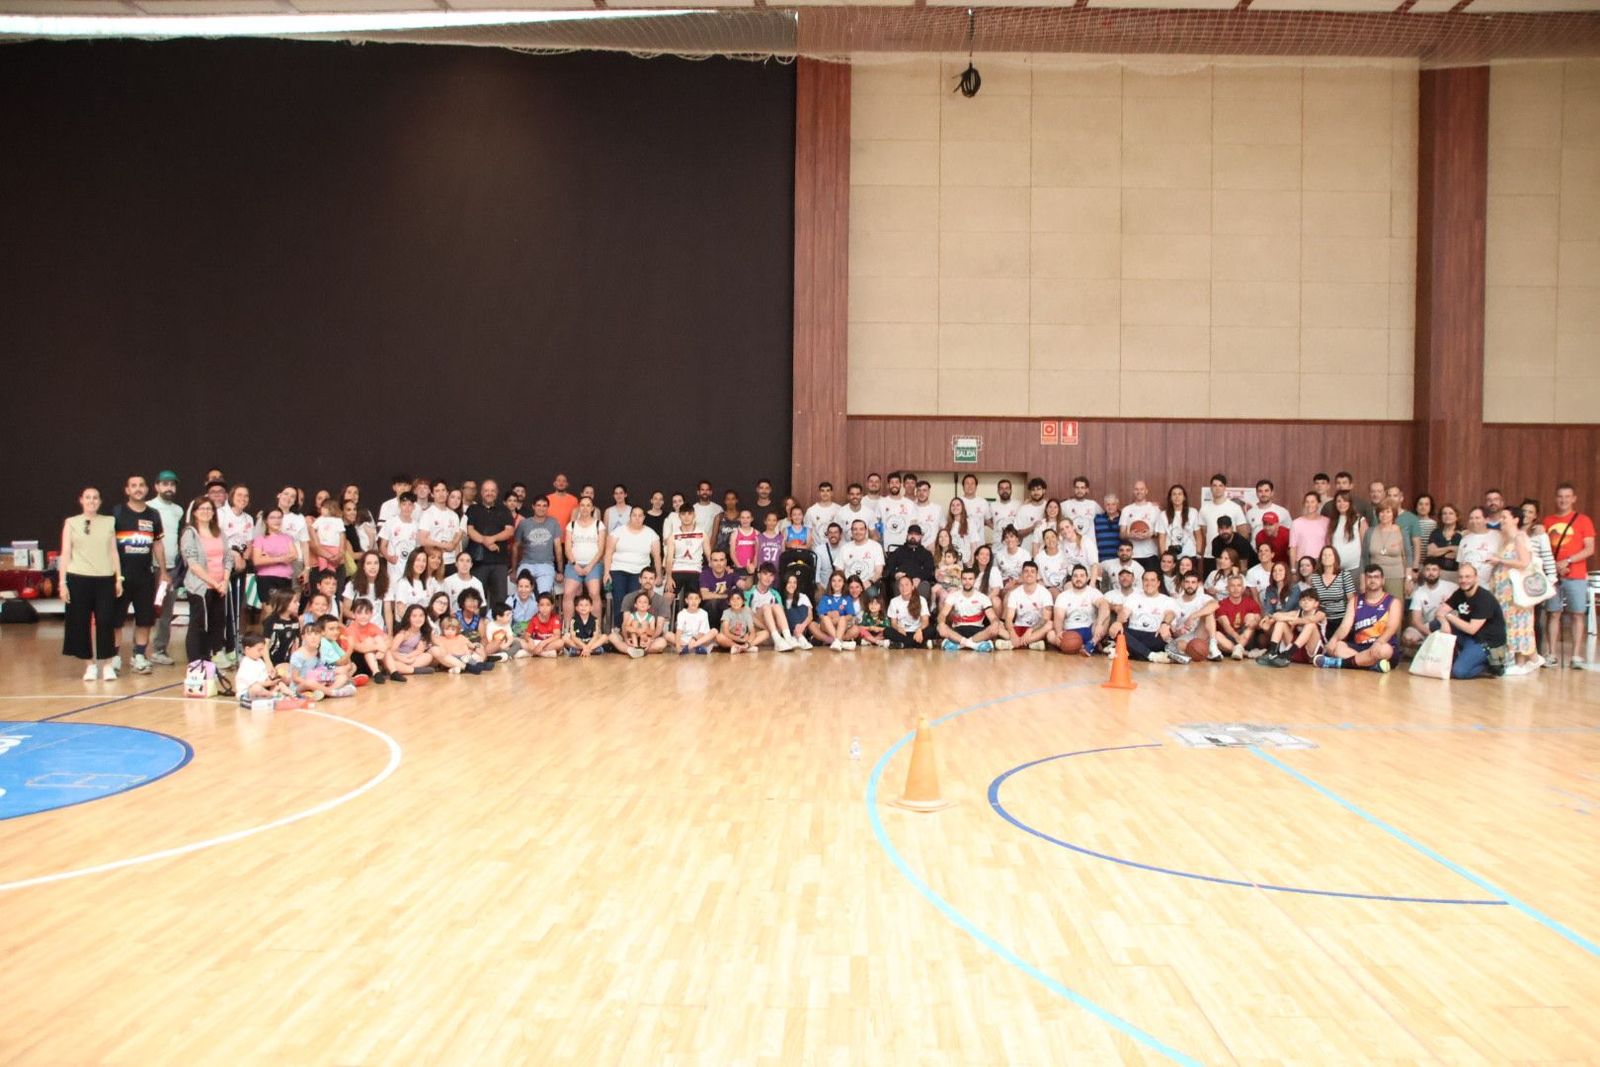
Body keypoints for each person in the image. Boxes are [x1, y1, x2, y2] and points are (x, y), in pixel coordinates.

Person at [59, 487, 123, 680]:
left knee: (105, 620)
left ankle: (108, 664)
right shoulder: (71, 523)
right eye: (88, 498)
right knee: (80, 622)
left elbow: (113, 552)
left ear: (100, 501)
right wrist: (63, 582)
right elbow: (66, 553)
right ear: (81, 500)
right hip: (78, 577)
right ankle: (90, 665)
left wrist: (118, 577)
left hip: (104, 578)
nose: (92, 501)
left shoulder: (109, 522)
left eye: (95, 498)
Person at [111, 475, 167, 675]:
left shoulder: (153, 514)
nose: (138, 489)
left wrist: (163, 571)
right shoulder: (116, 513)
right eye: (133, 486)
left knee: (145, 619)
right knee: (116, 620)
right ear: (127, 490)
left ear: (147, 489)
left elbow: (158, 544)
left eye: (141, 485)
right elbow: (108, 545)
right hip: (120, 577)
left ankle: (140, 655)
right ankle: (115, 657)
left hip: (145, 577)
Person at [1543, 483, 1595, 670]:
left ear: (1574, 498)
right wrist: (1554, 566)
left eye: (1567, 496)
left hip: (1576, 575)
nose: (1563, 500)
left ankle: (1576, 656)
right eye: (1560, 496)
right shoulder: (1547, 521)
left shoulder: (1583, 520)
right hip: (1553, 575)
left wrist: (1569, 561)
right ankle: (1551, 654)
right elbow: (1543, 548)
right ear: (1555, 498)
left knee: (1577, 614)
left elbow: (1589, 548)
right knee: (1553, 613)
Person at [180, 496, 235, 670]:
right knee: (199, 624)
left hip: (220, 586)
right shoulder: (190, 533)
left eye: (209, 509)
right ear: (195, 512)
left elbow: (227, 557)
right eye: (202, 509)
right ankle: (196, 660)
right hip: (200, 587)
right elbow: (193, 563)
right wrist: (212, 582)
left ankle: (212, 655)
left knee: (217, 623)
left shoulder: (219, 532)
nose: (206, 512)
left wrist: (224, 580)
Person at [1484, 508, 1539, 674]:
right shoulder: (1506, 540)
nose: (1501, 520)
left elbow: (1524, 562)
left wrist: (1499, 559)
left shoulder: (1519, 537)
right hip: (1503, 591)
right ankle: (1517, 660)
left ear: (1516, 519)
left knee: (1519, 624)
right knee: (1509, 624)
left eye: (1505, 517)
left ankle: (1522, 662)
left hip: (1515, 591)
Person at [1318, 565, 1399, 672]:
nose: (1372, 580)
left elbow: (1391, 628)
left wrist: (1379, 642)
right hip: (1360, 646)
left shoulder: (1393, 601)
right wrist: (1333, 640)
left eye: (1376, 577)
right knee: (1338, 646)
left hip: (1381, 644)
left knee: (1385, 650)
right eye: (1369, 577)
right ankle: (1371, 665)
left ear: (1383, 580)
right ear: (1365, 580)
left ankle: (1341, 663)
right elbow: (1345, 627)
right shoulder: (1355, 601)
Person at [1437, 563, 1508, 679]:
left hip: (1486, 642)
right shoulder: (1459, 593)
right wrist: (1444, 622)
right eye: (1461, 577)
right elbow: (1439, 612)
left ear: (1476, 578)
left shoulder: (1484, 598)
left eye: (1468, 577)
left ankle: (1491, 664)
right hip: (1469, 637)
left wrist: (1449, 616)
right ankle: (1455, 658)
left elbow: (1472, 629)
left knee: (1458, 672)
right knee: (1436, 624)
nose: (1464, 580)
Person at [604, 506, 663, 627]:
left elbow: (657, 556)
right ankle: (619, 629)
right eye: (634, 515)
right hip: (618, 570)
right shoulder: (617, 532)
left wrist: (659, 576)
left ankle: (634, 629)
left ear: (644, 517)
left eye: (640, 515)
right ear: (629, 516)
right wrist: (606, 573)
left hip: (639, 572)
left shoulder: (651, 534)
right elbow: (608, 553)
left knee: (636, 600)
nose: (637, 518)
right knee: (619, 599)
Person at [465, 480, 515, 611]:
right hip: (478, 562)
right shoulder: (473, 509)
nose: (489, 493)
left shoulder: (504, 510)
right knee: (477, 599)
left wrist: (492, 538)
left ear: (497, 493)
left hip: (499, 563)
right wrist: (485, 542)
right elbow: (469, 530)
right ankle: (477, 629)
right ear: (481, 493)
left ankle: (498, 628)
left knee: (500, 599)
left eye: (492, 491)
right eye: (486, 490)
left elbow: (509, 531)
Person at [1117, 570, 1186, 663]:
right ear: (1142, 582)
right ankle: (1152, 655)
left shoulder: (1167, 600)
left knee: (1163, 637)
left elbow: (1170, 613)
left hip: (1155, 635)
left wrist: (1165, 624)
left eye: (1152, 580)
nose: (1149, 583)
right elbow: (1124, 612)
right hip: (1135, 635)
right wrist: (1118, 622)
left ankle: (1136, 652)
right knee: (1118, 632)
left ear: (1158, 583)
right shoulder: (1134, 597)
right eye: (1146, 580)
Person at [562, 496, 607, 628]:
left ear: (592, 508)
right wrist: (575, 564)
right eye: (582, 505)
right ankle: (568, 629)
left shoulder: (599, 524)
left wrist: (590, 566)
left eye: (588, 505)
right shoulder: (571, 525)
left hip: (593, 564)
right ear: (578, 508)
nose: (585, 508)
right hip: (574, 564)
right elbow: (568, 549)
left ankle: (596, 629)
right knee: (568, 593)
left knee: (594, 593)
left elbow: (601, 549)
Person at [1257, 588, 1327, 668]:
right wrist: (1269, 621)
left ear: (1316, 603)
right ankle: (1272, 653)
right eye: (1303, 600)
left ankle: (1288, 654)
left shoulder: (1321, 613)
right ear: (1300, 603)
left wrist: (1293, 619)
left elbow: (1310, 619)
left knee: (1310, 625)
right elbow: (1277, 615)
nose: (1306, 602)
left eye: (1310, 600)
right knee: (1281, 623)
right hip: (1297, 651)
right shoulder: (1297, 613)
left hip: (1312, 651)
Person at [235, 634, 309, 710]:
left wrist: (273, 678)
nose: (261, 653)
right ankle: (273, 695)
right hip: (247, 693)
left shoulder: (259, 661)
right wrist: (270, 683)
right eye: (259, 650)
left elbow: (265, 677)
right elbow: (255, 684)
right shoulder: (246, 664)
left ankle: (291, 694)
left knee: (280, 683)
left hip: (263, 689)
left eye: (262, 650)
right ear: (247, 649)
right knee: (256, 688)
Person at [936, 566, 999, 652]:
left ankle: (960, 645)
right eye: (964, 579)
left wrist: (995, 623)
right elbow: (943, 614)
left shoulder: (982, 597)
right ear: (961, 580)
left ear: (975, 580)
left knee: (995, 627)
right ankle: (975, 645)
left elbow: (993, 617)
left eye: (970, 579)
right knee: (940, 627)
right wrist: (942, 623)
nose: (967, 582)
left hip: (978, 631)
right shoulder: (954, 596)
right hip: (958, 630)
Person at [1051, 565, 1108, 655]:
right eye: (1075, 576)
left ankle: (1091, 644)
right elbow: (1058, 617)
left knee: (1106, 617)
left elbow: (1104, 605)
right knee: (1050, 635)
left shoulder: (1093, 592)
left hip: (1089, 630)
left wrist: (1100, 624)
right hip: (1070, 631)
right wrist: (1058, 633)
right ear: (1072, 578)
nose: (1078, 578)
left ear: (1087, 577)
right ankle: (1075, 646)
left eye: (1082, 576)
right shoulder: (1063, 596)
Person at [1403, 559, 1455, 652]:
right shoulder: (1418, 592)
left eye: (1434, 570)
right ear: (1423, 572)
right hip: (1428, 628)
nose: (1431, 573)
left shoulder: (1452, 587)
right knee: (1408, 637)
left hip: (1447, 626)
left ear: (1440, 572)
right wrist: (1431, 635)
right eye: (1428, 569)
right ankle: (1426, 651)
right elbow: (1416, 621)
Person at [1002, 562, 1055, 651]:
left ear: (1037, 575)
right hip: (1018, 627)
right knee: (998, 625)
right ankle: (1030, 644)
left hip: (1035, 630)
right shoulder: (1014, 593)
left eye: (1032, 571)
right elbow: (1009, 618)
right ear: (1022, 575)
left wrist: (1030, 630)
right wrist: (1012, 633)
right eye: (1026, 571)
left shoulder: (1045, 593)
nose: (1029, 574)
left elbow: (1046, 619)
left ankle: (1014, 644)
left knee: (1050, 624)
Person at [1309, 545, 1356, 643]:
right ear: (1320, 558)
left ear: (1335, 558)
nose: (1326, 557)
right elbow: (1314, 601)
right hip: (1323, 619)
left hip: (1341, 619)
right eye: (1324, 555)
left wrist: (1348, 620)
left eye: (1330, 555)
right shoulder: (1315, 578)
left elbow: (1352, 600)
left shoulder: (1344, 575)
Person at [1199, 475, 1248, 566]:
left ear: (1225, 488)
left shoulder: (1235, 508)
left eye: (1220, 485)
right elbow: (1205, 533)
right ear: (1211, 488)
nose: (1217, 488)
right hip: (1210, 556)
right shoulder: (1204, 509)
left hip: (1230, 558)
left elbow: (1243, 534)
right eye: (1214, 485)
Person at [1119, 481, 1166, 572]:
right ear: (1133, 491)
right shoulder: (1126, 510)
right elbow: (1121, 534)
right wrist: (1130, 535)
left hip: (1151, 554)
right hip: (1132, 555)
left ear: (1146, 491)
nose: (1139, 491)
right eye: (1136, 489)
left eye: (1141, 489)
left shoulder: (1155, 509)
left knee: (1151, 584)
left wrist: (1150, 535)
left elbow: (1160, 533)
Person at [1214, 574, 1262, 659]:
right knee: (1216, 635)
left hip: (1246, 636)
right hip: (1229, 639)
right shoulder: (1221, 604)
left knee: (1251, 617)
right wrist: (1237, 638)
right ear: (1227, 588)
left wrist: (1254, 622)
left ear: (1243, 588)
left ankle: (1240, 649)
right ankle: (1245, 653)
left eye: (1239, 585)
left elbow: (1258, 619)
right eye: (1232, 586)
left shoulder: (1251, 603)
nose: (1236, 589)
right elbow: (1226, 626)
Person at [885, 524, 936, 600]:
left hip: (919, 581)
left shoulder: (926, 554)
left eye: (916, 535)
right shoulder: (898, 551)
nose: (913, 536)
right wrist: (895, 575)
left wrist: (920, 578)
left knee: (925, 586)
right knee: (900, 585)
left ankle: (919, 610)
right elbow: (889, 568)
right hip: (901, 580)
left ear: (920, 537)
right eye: (911, 534)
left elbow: (929, 570)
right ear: (907, 535)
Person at [610, 591, 669, 658]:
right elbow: (626, 627)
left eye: (645, 602)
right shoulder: (632, 615)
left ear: (649, 606)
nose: (642, 604)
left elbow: (652, 632)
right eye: (640, 602)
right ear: (635, 605)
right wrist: (635, 630)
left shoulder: (651, 617)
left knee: (662, 642)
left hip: (645, 639)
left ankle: (640, 650)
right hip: (632, 639)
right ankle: (634, 648)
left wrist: (645, 631)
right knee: (612, 637)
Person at [837, 520, 886, 596]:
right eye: (855, 529)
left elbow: (878, 571)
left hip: (869, 584)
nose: (858, 532)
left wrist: (869, 582)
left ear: (866, 531)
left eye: (861, 529)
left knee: (872, 593)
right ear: (852, 531)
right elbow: (839, 570)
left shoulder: (876, 546)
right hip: (848, 584)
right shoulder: (845, 548)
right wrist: (847, 584)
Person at [813, 571, 859, 650]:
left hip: (842, 625)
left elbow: (850, 615)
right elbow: (821, 615)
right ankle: (841, 642)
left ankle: (834, 641)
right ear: (830, 582)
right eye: (833, 580)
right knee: (816, 623)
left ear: (844, 583)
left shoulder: (847, 598)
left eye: (839, 580)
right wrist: (832, 617)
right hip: (827, 625)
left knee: (856, 629)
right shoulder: (825, 597)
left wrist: (839, 619)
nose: (836, 583)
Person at [885, 574, 933, 649]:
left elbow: (925, 620)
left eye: (907, 585)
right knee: (887, 631)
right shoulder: (894, 601)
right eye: (901, 585)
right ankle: (919, 644)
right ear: (898, 588)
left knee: (931, 630)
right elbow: (893, 622)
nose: (904, 588)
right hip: (902, 633)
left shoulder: (921, 600)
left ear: (912, 587)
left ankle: (902, 644)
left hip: (917, 632)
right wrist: (898, 628)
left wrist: (920, 630)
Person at [699, 550, 743, 629]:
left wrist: (750, 573)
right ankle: (713, 633)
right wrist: (727, 596)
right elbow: (705, 595)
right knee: (713, 603)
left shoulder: (730, 573)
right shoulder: (705, 574)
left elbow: (744, 586)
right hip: (710, 609)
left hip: (726, 607)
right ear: (711, 562)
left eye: (721, 560)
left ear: (726, 562)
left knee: (734, 604)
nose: (719, 564)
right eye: (715, 560)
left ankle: (732, 633)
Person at [1061, 477, 1101, 560]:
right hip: (1071, 548)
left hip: (1089, 547)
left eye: (1082, 488)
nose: (1079, 490)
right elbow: (1052, 511)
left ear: (1087, 490)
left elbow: (1107, 515)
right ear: (1074, 489)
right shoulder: (1065, 505)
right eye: (1077, 487)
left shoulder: (1093, 505)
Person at [1161, 483, 1203, 562]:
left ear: (1184, 497)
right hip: (1171, 556)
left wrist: (1198, 552)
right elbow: (1161, 537)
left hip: (1190, 554)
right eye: (1174, 494)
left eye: (1180, 494)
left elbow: (1198, 535)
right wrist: (1164, 556)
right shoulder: (1163, 515)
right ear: (1170, 498)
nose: (1177, 497)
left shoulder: (1193, 512)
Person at [1328, 491, 1366, 574]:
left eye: (1345, 501)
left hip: (1355, 568)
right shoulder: (1332, 521)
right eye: (1339, 501)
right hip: (1336, 569)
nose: (1342, 504)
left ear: (1350, 503)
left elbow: (1365, 544)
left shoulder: (1359, 520)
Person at [1290, 491, 1330, 566]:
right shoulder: (1296, 523)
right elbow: (1293, 548)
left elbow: (1329, 544)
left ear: (1318, 504)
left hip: (1321, 562)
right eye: (1307, 502)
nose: (1309, 505)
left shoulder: (1326, 522)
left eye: (1312, 502)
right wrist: (1293, 569)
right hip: (1302, 562)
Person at [672, 590, 718, 654]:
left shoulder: (704, 613)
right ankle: (692, 647)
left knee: (714, 631)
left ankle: (692, 647)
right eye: (691, 598)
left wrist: (694, 640)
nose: (694, 601)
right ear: (686, 600)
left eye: (696, 599)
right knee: (668, 635)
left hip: (700, 640)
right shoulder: (681, 614)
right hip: (685, 639)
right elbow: (679, 631)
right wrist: (677, 646)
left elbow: (701, 633)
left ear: (699, 601)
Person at [521, 593, 566, 658]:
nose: (545, 608)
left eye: (548, 605)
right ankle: (543, 653)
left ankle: (534, 652)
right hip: (537, 643)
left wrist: (542, 644)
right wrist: (530, 640)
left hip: (548, 643)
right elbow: (526, 635)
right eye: (541, 605)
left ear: (552, 607)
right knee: (520, 641)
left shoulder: (555, 619)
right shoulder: (534, 619)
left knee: (561, 642)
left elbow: (557, 636)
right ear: (538, 606)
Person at [1426, 503, 1462, 576]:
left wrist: (1439, 552)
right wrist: (1451, 548)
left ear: (1457, 517)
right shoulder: (1435, 533)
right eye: (1444, 513)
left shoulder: (1462, 534)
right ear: (1441, 517)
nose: (1447, 516)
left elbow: (1459, 554)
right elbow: (1430, 552)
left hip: (1455, 573)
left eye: (1451, 513)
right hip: (1435, 573)